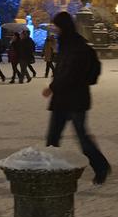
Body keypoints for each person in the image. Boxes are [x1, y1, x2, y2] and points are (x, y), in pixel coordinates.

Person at [43, 11, 111, 185]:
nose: (55, 30)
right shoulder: (68, 43)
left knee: (81, 139)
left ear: (63, 26)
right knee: (53, 138)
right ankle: (51, 169)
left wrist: (52, 87)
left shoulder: (75, 46)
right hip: (65, 99)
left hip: (74, 100)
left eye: (56, 26)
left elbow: (69, 74)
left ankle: (101, 167)